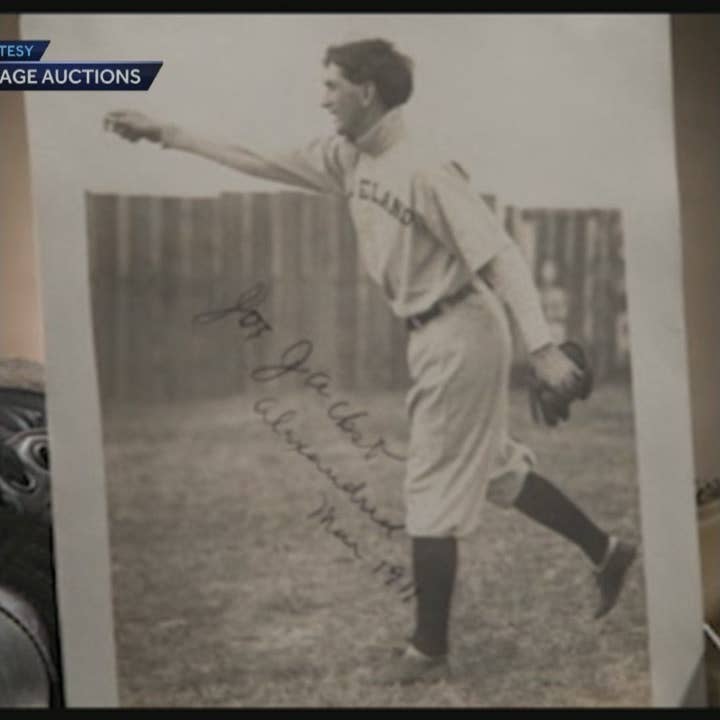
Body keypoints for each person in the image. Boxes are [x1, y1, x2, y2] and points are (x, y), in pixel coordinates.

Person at [104, 38, 637, 686]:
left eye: (332, 85)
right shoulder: (346, 157)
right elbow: (256, 157)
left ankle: (428, 648)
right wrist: (167, 132)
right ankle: (606, 551)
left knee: (430, 486)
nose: (322, 97)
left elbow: (500, 255)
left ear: (368, 90)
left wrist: (543, 345)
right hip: (433, 332)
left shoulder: (425, 166)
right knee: (493, 471)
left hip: (462, 325)